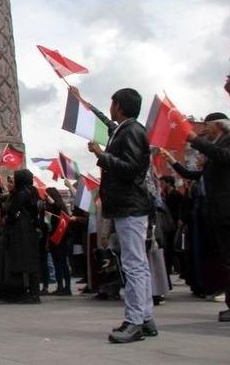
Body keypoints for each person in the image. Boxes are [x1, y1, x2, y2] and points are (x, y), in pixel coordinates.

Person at [72, 86, 157, 343]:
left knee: (133, 265)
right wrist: (83, 103)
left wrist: (102, 155)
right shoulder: (124, 128)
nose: (110, 108)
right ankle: (146, 317)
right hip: (126, 205)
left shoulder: (131, 131)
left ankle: (134, 322)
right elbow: (107, 123)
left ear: (119, 105)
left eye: (111, 104)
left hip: (130, 206)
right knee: (137, 264)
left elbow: (130, 169)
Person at [161, 112, 230, 322]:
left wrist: (194, 140)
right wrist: (172, 162)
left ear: (219, 125)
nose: (203, 129)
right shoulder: (219, 145)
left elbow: (225, 156)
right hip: (222, 213)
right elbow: (193, 175)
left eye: (206, 125)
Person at [0, 169, 42, 304]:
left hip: (20, 231)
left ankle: (27, 293)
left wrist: (7, 219)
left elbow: (12, 210)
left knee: (21, 262)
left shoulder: (21, 193)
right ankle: (34, 292)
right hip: (30, 230)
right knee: (32, 263)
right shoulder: (33, 191)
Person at [45, 187, 72, 296]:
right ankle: (60, 286)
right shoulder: (49, 208)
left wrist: (52, 201)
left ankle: (67, 287)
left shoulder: (59, 206)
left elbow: (59, 209)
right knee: (56, 263)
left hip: (62, 237)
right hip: (53, 237)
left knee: (63, 263)